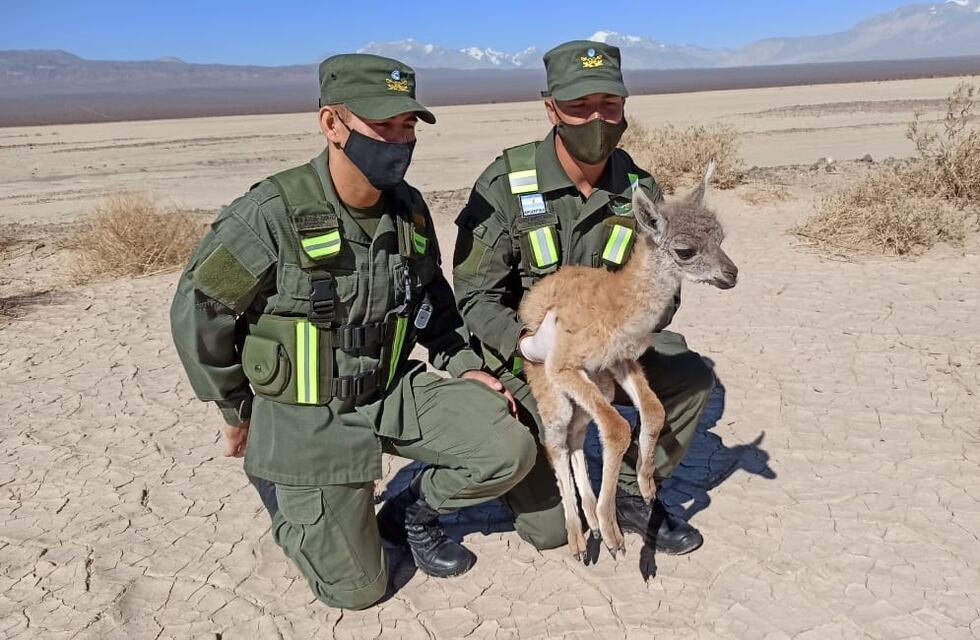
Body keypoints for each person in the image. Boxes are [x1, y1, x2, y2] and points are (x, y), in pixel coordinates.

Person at [170, 53, 536, 610]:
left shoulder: (408, 211)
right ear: (331, 123)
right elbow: (199, 313)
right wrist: (238, 411)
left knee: (506, 445)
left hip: (386, 389)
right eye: (382, 125)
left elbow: (433, 300)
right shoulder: (272, 212)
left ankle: (408, 509)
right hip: (305, 415)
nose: (398, 140)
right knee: (359, 592)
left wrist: (467, 366)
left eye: (407, 126)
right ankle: (283, 486)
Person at [452, 40, 715, 556]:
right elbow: (475, 294)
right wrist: (527, 342)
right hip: (531, 361)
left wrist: (631, 327)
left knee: (689, 373)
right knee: (551, 530)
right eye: (579, 107)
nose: (596, 118)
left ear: (623, 107)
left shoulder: (639, 189)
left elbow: (668, 282)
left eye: (608, 105)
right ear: (551, 108)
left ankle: (630, 492)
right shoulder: (509, 182)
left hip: (607, 346)